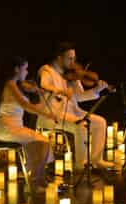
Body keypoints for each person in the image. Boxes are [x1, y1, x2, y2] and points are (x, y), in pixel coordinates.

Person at [36, 42, 115, 171]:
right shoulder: (46, 70)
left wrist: (97, 90)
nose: (73, 62)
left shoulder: (71, 75)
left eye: (74, 59)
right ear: (59, 58)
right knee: (81, 126)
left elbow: (79, 96)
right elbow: (44, 84)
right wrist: (60, 90)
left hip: (72, 113)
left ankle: (97, 160)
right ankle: (81, 164)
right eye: (70, 58)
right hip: (52, 115)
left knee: (100, 122)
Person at [0, 56, 56, 193]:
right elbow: (25, 105)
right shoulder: (10, 84)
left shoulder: (15, 85)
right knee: (42, 142)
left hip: (14, 127)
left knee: (42, 141)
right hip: (6, 128)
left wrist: (46, 96)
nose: (27, 73)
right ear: (16, 69)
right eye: (25, 69)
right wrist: (47, 115)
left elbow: (34, 106)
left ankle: (37, 177)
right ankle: (34, 180)